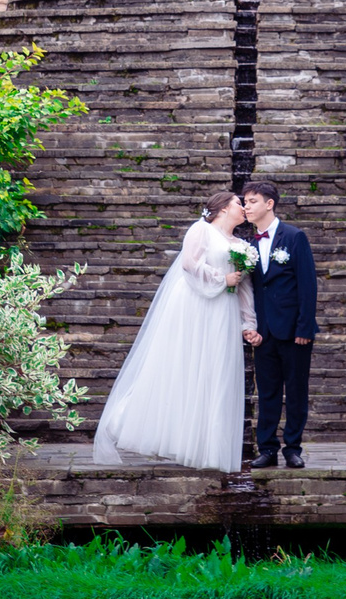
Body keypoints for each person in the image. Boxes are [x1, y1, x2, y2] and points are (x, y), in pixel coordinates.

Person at [91, 187, 257, 469]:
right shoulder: (201, 230)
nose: (244, 207)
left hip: (224, 312)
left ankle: (206, 449)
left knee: (216, 372)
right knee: (183, 367)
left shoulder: (240, 244)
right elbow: (190, 264)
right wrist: (222, 278)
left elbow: (243, 286)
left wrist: (249, 322)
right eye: (238, 203)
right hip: (195, 307)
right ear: (223, 207)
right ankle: (129, 422)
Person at [239, 179, 318, 468]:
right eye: (244, 202)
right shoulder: (247, 245)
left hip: (294, 331)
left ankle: (293, 448)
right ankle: (268, 448)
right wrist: (250, 326)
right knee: (267, 392)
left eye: (252, 202)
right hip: (264, 333)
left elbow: (308, 285)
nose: (246, 207)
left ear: (269, 204)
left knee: (296, 391)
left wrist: (304, 327)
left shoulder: (294, 237)